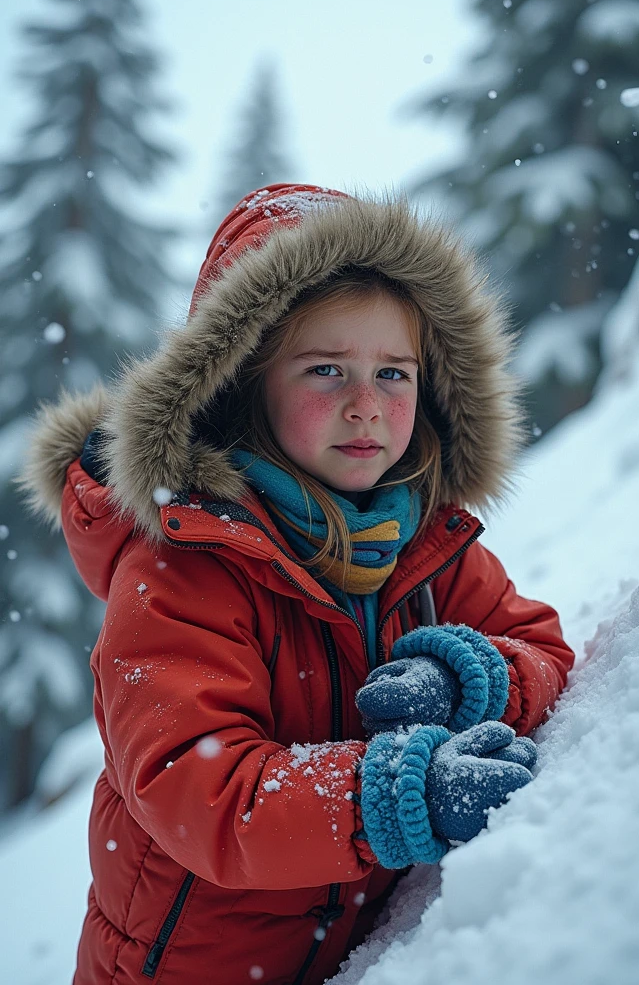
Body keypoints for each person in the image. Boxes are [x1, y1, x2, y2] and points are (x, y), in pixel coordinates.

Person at [22, 184, 574, 985]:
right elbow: (197, 786)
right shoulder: (183, 568)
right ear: (242, 382)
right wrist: (393, 796)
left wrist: (466, 679)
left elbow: (539, 647)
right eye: (326, 370)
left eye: (393, 372)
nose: (367, 406)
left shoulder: (421, 540)